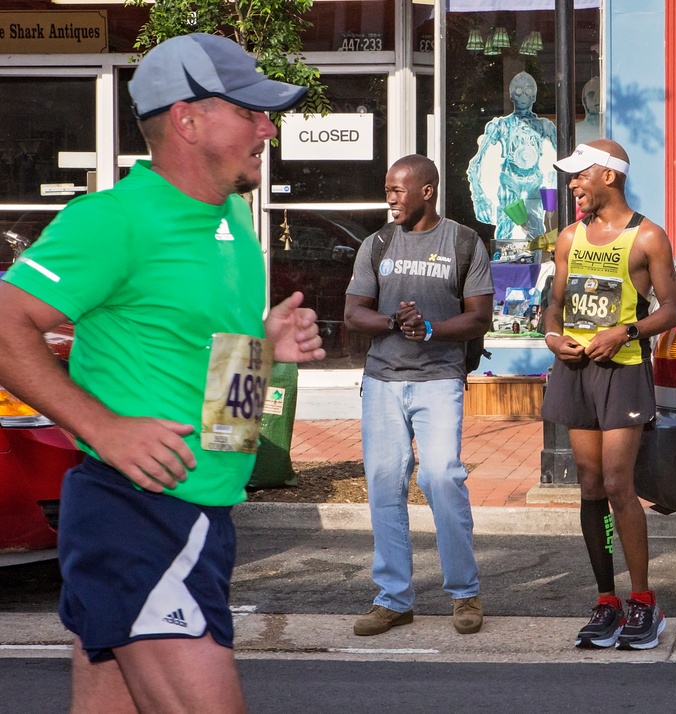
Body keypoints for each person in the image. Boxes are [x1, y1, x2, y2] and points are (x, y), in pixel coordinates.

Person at [0, 33, 325, 712]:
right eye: (251, 111)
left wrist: (262, 348)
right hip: (140, 517)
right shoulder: (115, 221)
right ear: (188, 120)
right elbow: (6, 323)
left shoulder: (232, 221)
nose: (269, 127)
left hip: (203, 515)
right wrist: (104, 427)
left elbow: (219, 405)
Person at [541, 139, 676, 650]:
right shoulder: (568, 237)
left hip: (622, 372)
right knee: (588, 483)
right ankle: (606, 600)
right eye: (572, 177)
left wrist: (623, 333)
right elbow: (553, 306)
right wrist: (554, 339)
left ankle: (644, 602)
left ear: (610, 176)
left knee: (620, 484)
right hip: (574, 372)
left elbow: (672, 310)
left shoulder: (648, 237)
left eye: (581, 175)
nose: (573, 184)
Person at [344, 154, 494, 637]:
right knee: (385, 484)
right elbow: (353, 313)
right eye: (387, 189)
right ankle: (393, 599)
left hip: (440, 379)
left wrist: (429, 328)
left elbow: (479, 317)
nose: (390, 197)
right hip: (383, 380)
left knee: (441, 477)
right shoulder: (377, 243)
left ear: (426, 191)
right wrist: (392, 322)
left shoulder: (464, 243)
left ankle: (464, 594)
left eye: (398, 189)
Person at [467, 71, 558, 242]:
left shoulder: (545, 126)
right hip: (510, 180)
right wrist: (479, 198)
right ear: (511, 95)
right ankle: (504, 264)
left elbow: (563, 159)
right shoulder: (500, 125)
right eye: (518, 91)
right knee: (505, 231)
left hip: (534, 181)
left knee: (536, 230)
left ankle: (536, 264)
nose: (523, 95)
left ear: (534, 96)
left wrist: (556, 185)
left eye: (528, 90)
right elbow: (475, 163)